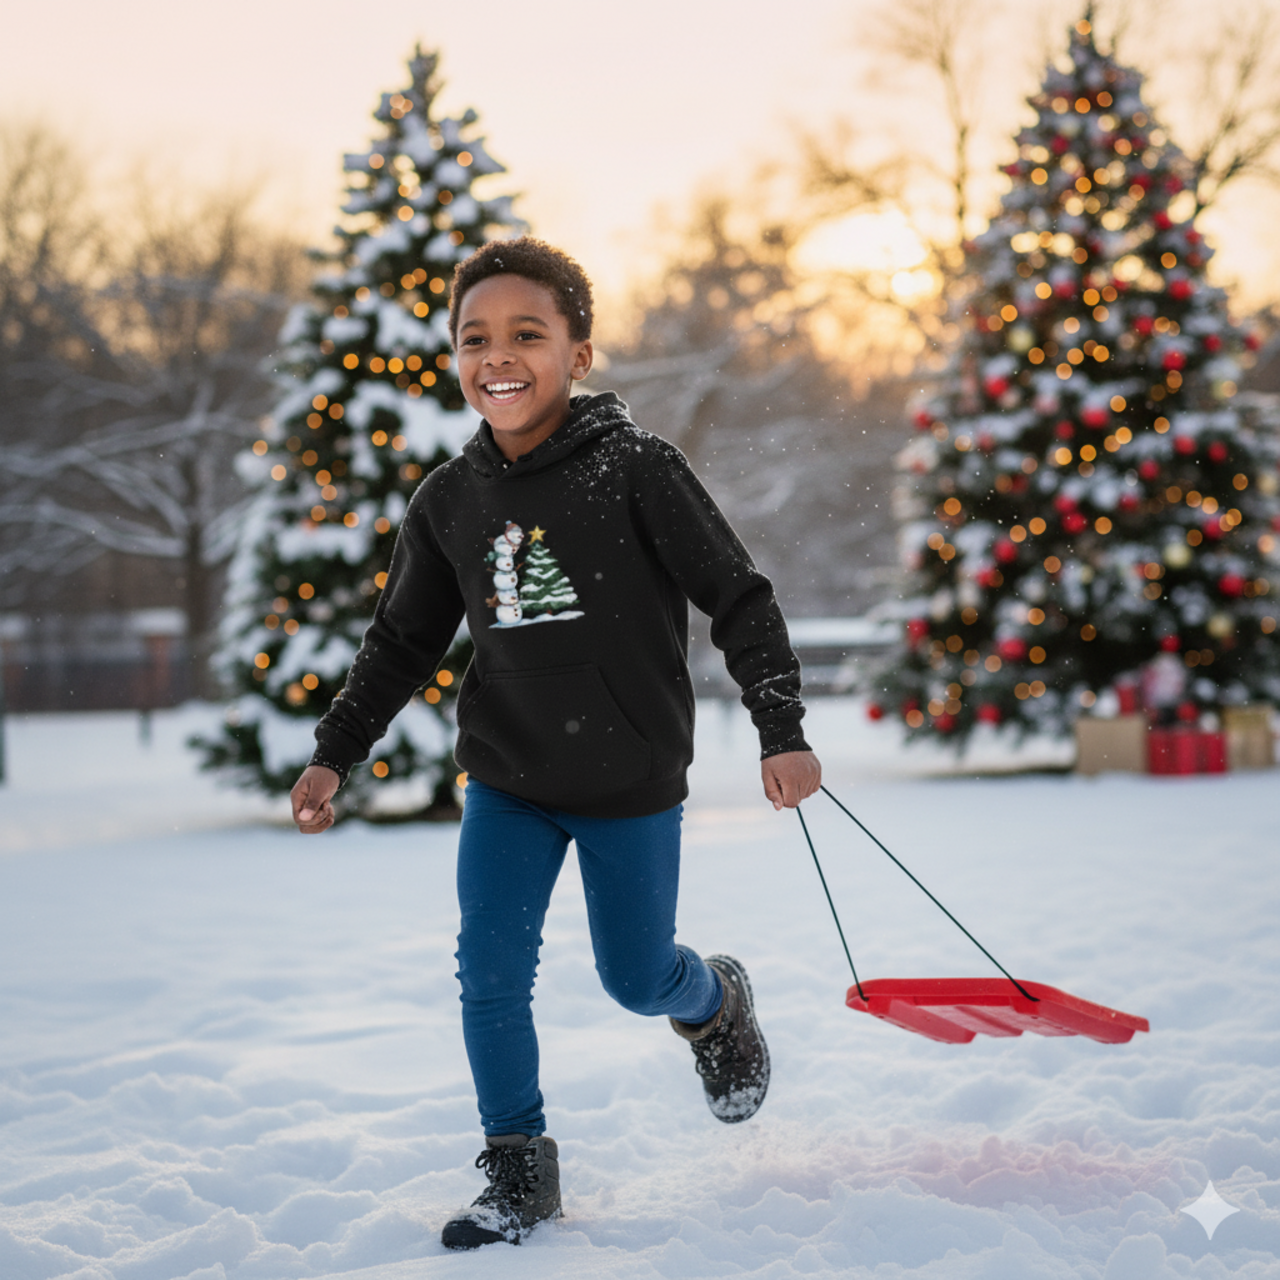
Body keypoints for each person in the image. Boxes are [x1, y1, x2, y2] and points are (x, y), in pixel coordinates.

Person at [290, 237, 821, 1250]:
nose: (498, 355)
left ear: (577, 353)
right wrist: (335, 750)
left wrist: (778, 728)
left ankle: (713, 999)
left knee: (634, 976)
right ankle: (518, 1163)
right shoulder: (448, 501)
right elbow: (401, 641)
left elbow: (736, 596)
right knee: (487, 969)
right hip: (508, 777)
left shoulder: (637, 469)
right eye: (473, 337)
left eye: (526, 333)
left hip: (628, 777)